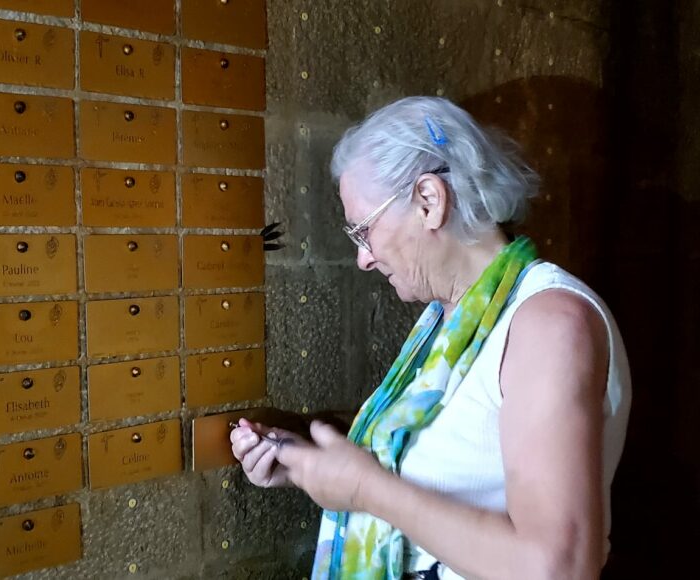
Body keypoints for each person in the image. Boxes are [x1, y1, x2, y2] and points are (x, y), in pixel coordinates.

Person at [230, 96, 631, 580]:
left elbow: (558, 568)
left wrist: (364, 490)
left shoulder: (548, 324)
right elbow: (446, 454)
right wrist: (303, 462)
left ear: (429, 200)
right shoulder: (451, 321)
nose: (363, 259)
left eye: (363, 231)